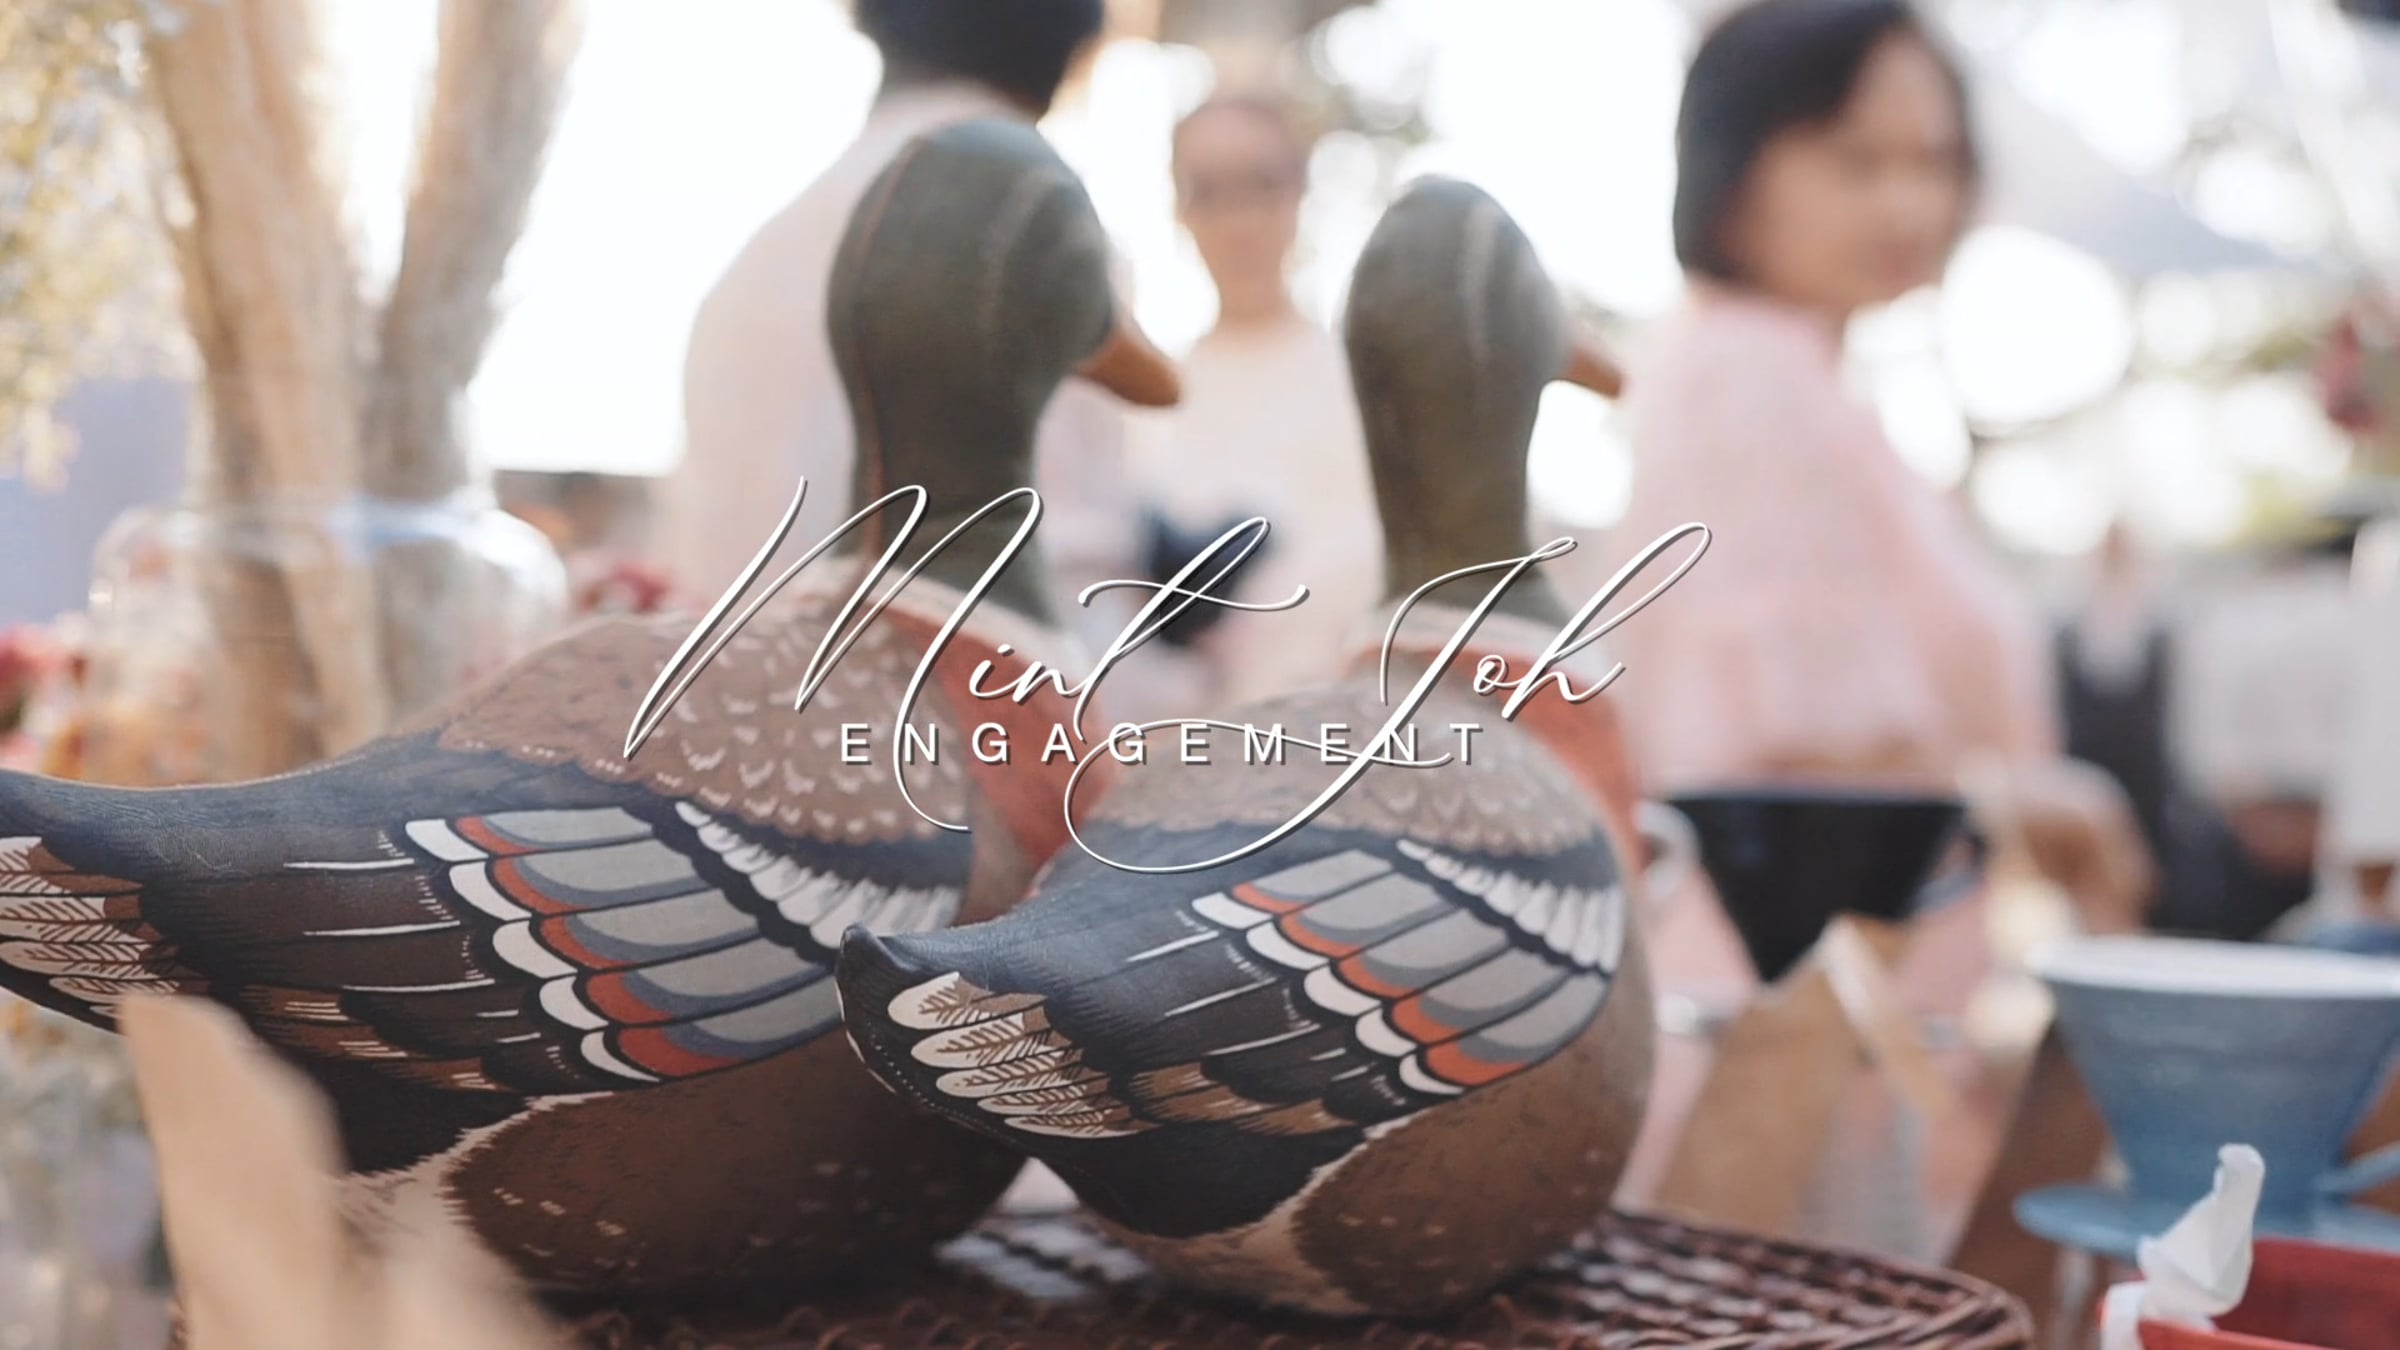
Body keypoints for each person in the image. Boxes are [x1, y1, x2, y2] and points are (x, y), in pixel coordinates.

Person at [1608, 0, 2151, 1253]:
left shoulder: (1809, 383)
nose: (1908, 200)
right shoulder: (1749, 376)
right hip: (1780, 1052)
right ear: (1736, 165)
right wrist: (2040, 802)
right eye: (1856, 159)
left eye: (1934, 160)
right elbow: (1795, 770)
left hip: (1835, 1043)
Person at [660, 0, 1144, 639]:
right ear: (1076, 49)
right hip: (962, 690)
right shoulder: (1036, 232)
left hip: (745, 679)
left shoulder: (759, 258)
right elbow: (1073, 583)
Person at [1131, 96, 1380, 709]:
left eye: (1260, 186)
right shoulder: (1142, 399)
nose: (1239, 221)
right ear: (1178, 208)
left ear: (1300, 193)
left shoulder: (1370, 386)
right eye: (1210, 192)